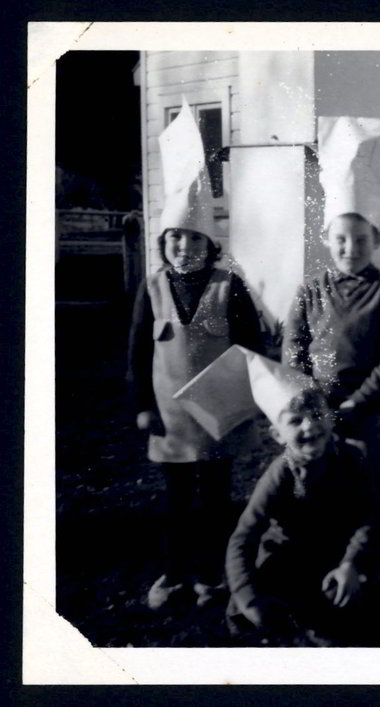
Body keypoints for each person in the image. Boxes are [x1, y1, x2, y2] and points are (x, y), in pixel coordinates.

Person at [127, 100, 262, 611]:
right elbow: (138, 353)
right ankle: (174, 573)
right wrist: (142, 404)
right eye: (175, 239)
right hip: (170, 420)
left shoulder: (232, 288)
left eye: (194, 239)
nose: (184, 247)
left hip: (218, 417)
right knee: (175, 502)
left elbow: (251, 350)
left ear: (210, 243)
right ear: (165, 243)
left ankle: (213, 575)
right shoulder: (153, 288)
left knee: (215, 500)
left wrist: (248, 404)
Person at [203, 350, 380, 646]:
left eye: (317, 415)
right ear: (277, 435)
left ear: (330, 418)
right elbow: (243, 538)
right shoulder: (280, 475)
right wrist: (248, 599)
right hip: (287, 558)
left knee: (356, 615)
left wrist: (351, 563)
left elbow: (368, 516)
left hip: (335, 554)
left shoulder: (352, 458)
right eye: (296, 421)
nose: (309, 426)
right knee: (259, 616)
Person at [282, 116, 380, 494]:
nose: (350, 249)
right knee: (319, 480)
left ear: (377, 240)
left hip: (365, 411)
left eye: (361, 240)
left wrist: (359, 400)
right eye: (341, 239)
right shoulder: (309, 291)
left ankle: (364, 542)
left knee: (363, 477)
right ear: (325, 238)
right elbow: (294, 343)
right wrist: (308, 394)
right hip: (314, 407)